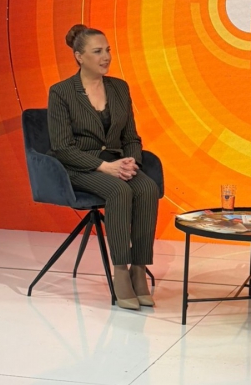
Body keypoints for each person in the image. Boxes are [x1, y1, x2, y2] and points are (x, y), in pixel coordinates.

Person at [47, 24, 160, 311]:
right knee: (119, 191)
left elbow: (131, 137)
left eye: (107, 50)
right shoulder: (61, 92)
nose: (106, 56)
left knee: (147, 188)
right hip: (79, 166)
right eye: (97, 51)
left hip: (117, 162)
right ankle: (120, 271)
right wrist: (103, 167)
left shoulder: (119, 88)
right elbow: (62, 148)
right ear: (79, 57)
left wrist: (131, 162)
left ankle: (138, 269)